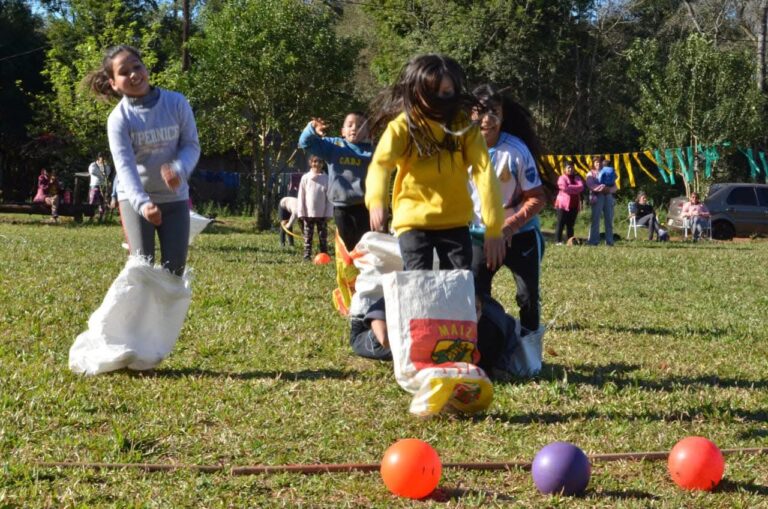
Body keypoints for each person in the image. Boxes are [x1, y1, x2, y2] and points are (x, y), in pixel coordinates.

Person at [365, 54, 505, 271]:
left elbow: (483, 171)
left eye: (447, 93)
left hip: (455, 222)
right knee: (418, 283)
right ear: (416, 91)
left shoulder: (463, 126)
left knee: (458, 285)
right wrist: (376, 201)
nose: (440, 99)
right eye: (433, 93)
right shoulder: (403, 126)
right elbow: (381, 164)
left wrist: (494, 227)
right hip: (412, 221)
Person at [85, 44, 200, 275]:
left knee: (174, 271)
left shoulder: (176, 103)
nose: (134, 74)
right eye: (124, 72)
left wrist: (179, 169)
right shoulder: (119, 119)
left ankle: (165, 313)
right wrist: (143, 204)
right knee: (142, 269)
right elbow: (124, 167)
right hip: (136, 199)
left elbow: (191, 145)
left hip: (175, 199)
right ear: (113, 84)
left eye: (137, 66)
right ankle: (139, 312)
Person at [468, 84, 547, 333]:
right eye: (480, 111)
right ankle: (483, 347)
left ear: (502, 116)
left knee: (528, 297)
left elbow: (537, 197)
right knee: (475, 296)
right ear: (470, 114)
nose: (487, 119)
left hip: (520, 236)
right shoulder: (458, 150)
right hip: (479, 236)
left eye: (494, 112)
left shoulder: (516, 151)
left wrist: (509, 227)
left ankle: (530, 350)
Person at [298, 112, 372, 251]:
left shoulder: (372, 151)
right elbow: (304, 143)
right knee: (348, 245)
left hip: (365, 207)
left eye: (360, 125)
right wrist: (312, 127)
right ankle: (349, 269)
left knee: (366, 246)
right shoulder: (335, 145)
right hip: (341, 207)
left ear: (367, 132)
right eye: (349, 125)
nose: (354, 128)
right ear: (342, 131)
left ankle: (364, 270)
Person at [296, 155, 333, 260]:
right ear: (310, 163)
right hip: (308, 214)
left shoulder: (326, 178)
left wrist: (329, 213)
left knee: (323, 237)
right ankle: (307, 255)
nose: (317, 164)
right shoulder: (305, 178)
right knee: (308, 237)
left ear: (323, 164)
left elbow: (330, 198)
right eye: (315, 161)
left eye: (320, 162)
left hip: (322, 215)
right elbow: (301, 196)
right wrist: (301, 212)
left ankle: (324, 255)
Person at [586, 156, 618, 246]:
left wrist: (609, 190)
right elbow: (590, 184)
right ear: (593, 163)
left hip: (608, 196)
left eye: (599, 162)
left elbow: (615, 186)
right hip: (597, 196)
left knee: (609, 219)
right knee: (595, 219)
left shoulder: (608, 172)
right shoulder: (590, 173)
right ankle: (593, 241)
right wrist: (601, 188)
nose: (598, 164)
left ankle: (609, 241)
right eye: (596, 162)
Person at [554, 161, 584, 244]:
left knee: (570, 225)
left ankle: (570, 241)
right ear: (565, 169)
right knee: (560, 223)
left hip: (574, 205)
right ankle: (557, 241)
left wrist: (569, 187)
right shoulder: (562, 178)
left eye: (572, 167)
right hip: (562, 205)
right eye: (568, 167)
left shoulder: (577, 178)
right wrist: (575, 189)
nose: (570, 169)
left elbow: (581, 187)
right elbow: (564, 188)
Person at [88, 152, 112, 221]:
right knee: (92, 200)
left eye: (105, 158)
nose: (104, 159)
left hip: (103, 185)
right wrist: (101, 174)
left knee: (103, 201)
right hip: (94, 185)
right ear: (98, 158)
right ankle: (90, 216)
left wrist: (102, 174)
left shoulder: (106, 166)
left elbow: (107, 173)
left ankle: (101, 217)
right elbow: (92, 171)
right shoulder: (93, 165)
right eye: (102, 157)